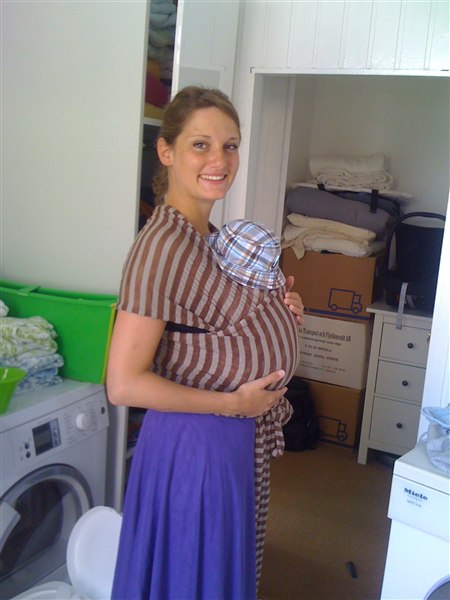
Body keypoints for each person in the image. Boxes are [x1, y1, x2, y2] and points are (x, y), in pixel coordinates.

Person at [106, 86, 304, 600]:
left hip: (226, 441)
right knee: (194, 578)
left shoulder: (206, 238)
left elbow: (218, 321)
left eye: (230, 145)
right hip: (194, 447)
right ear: (166, 151)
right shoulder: (161, 247)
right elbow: (122, 384)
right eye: (201, 145)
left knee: (211, 573)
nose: (220, 160)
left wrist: (279, 310)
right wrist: (233, 404)